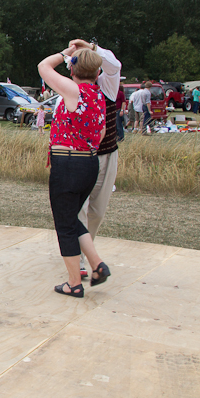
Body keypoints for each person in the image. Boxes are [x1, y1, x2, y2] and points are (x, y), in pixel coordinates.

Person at [37, 44, 109, 299]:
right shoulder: (98, 96)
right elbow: (100, 133)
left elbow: (43, 66)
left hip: (67, 164)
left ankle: (74, 283)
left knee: (64, 225)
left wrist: (65, 53)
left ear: (73, 70)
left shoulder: (73, 90)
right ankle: (97, 264)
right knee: (71, 218)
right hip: (89, 163)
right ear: (97, 73)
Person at [68, 40, 122, 280]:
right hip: (80, 157)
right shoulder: (70, 90)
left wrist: (91, 48)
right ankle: (78, 258)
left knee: (97, 211)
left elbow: (114, 66)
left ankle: (85, 250)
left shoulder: (106, 87)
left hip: (107, 154)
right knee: (78, 209)